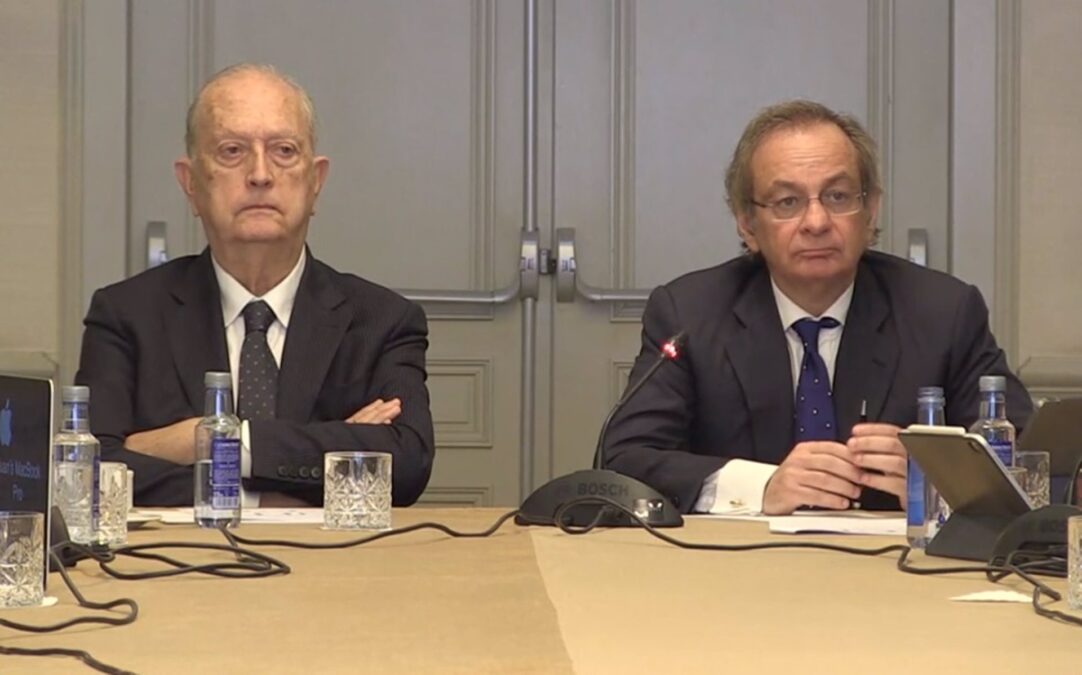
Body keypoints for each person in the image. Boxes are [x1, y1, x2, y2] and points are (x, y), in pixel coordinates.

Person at [602, 99, 1031, 515]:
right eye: (788, 202)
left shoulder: (944, 312)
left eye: (838, 196)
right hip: (734, 571)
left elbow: (1029, 459)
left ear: (871, 210)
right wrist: (761, 486)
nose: (816, 222)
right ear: (747, 224)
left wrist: (941, 479)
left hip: (891, 576)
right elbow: (624, 460)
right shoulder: (690, 314)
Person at [76, 64, 434, 507]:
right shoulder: (126, 314)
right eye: (232, 151)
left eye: (284, 150)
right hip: (181, 569)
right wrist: (300, 473)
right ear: (190, 184)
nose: (261, 174)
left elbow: (406, 463)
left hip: (335, 569)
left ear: (316, 181)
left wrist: (208, 440)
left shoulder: (381, 320)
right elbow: (89, 473)